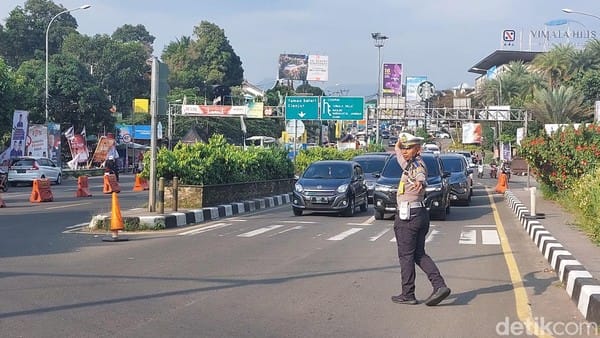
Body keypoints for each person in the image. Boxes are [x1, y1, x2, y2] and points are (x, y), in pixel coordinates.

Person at [391, 132, 451, 306]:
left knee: (406, 256)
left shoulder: (417, 165)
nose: (405, 151)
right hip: (418, 214)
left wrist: (421, 182)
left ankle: (407, 293)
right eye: (404, 148)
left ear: (418, 149)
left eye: (409, 148)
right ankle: (439, 286)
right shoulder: (408, 164)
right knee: (418, 254)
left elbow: (420, 176)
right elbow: (399, 155)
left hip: (409, 217)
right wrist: (399, 142)